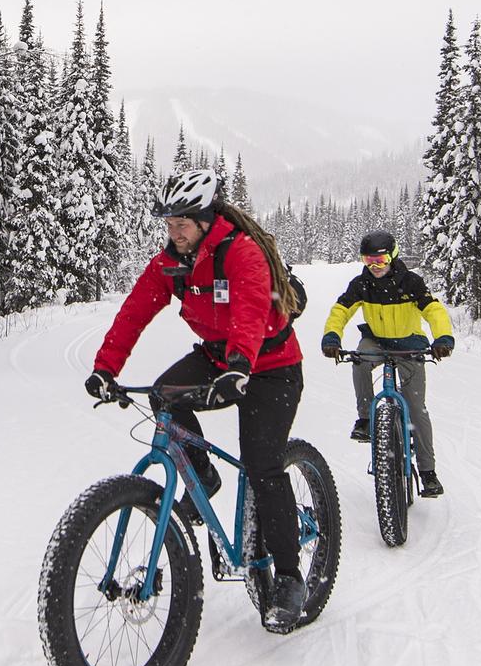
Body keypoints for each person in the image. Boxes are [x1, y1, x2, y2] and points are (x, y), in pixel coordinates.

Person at [85, 167, 313, 633]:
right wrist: (106, 367)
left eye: (182, 224)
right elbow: (134, 312)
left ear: (207, 220)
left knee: (261, 464)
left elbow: (250, 311)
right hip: (218, 358)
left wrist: (239, 367)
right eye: (168, 225)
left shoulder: (242, 254)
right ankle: (202, 477)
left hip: (270, 368)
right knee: (163, 396)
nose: (174, 233)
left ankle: (290, 578)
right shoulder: (170, 264)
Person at [319, 229, 454, 497]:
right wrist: (332, 336)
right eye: (369, 261)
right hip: (377, 342)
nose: (375, 267)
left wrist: (443, 337)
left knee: (417, 409)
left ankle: (427, 473)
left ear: (392, 257)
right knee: (359, 361)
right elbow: (341, 311)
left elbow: (433, 310)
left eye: (380, 261)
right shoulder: (361, 285)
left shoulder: (411, 283)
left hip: (410, 344)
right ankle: (366, 418)